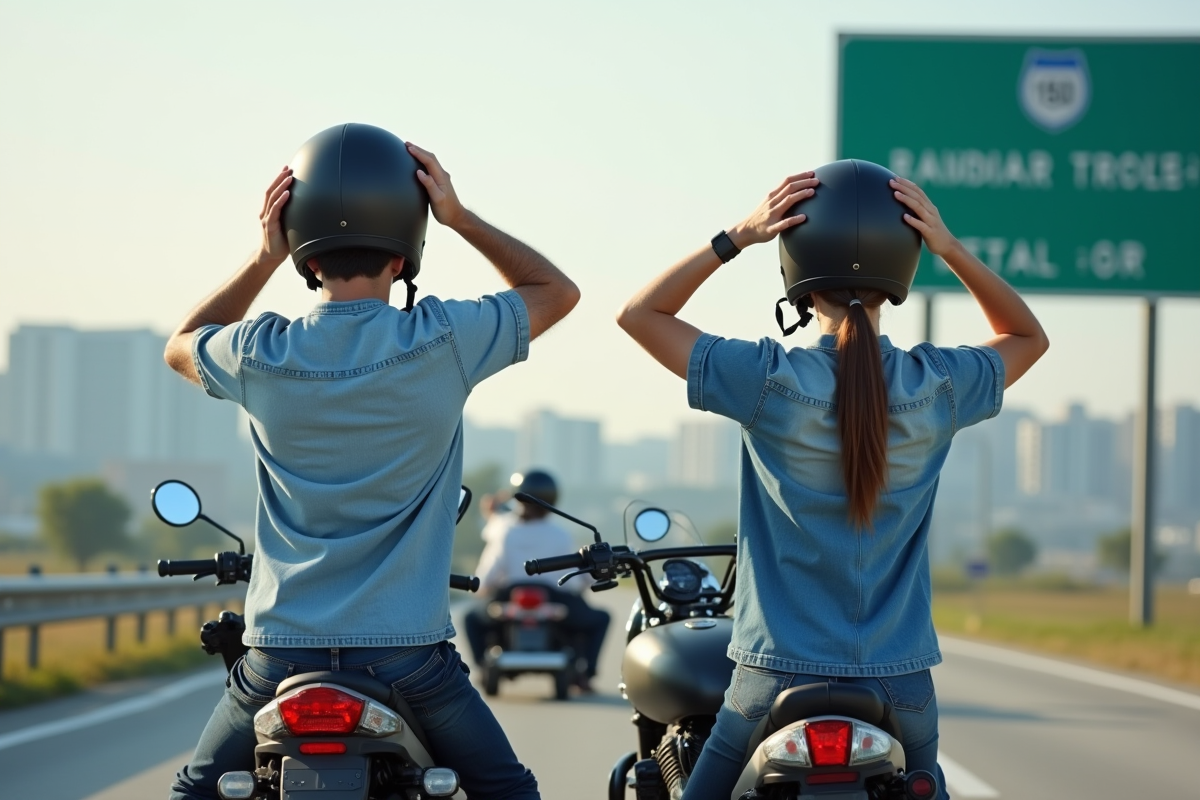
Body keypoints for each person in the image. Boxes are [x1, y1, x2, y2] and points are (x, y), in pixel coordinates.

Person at [162, 123, 579, 800]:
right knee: (510, 791)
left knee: (193, 793)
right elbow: (555, 291)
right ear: (405, 253)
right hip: (408, 653)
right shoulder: (444, 339)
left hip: (280, 652)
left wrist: (264, 256)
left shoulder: (261, 352)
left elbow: (181, 344)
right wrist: (461, 217)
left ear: (304, 253)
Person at [615, 164, 1048, 799]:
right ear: (901, 271)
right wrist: (951, 249)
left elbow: (639, 313)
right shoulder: (938, 386)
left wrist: (740, 234)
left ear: (796, 275)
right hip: (899, 675)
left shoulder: (765, 379)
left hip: (771, 669)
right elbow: (1027, 336)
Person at [464, 470, 611, 691]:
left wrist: (484, 589)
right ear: (553, 498)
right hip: (556, 597)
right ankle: (585, 675)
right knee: (600, 618)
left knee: (471, 619)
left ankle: (482, 668)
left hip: (509, 596)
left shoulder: (505, 531)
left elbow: (483, 581)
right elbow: (579, 578)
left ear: (517, 496)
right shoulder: (561, 534)